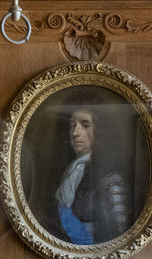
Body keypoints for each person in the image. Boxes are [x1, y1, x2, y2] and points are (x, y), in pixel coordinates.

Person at [52, 104, 131, 244]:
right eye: (72, 125)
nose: (75, 132)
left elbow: (121, 228)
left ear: (100, 131)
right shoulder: (72, 169)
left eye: (85, 125)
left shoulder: (111, 178)